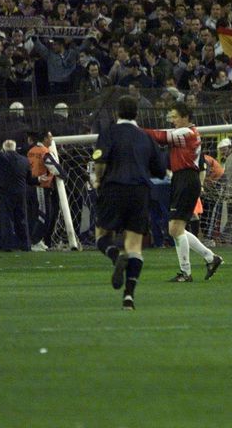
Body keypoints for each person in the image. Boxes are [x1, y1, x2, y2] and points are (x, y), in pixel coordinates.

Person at [93, 95, 167, 310]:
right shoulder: (146, 137)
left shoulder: (108, 133)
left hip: (114, 187)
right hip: (139, 191)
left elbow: (100, 162)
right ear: (137, 114)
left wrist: (98, 180)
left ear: (117, 113)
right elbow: (160, 170)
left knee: (102, 235)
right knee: (134, 245)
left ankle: (115, 255)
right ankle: (129, 297)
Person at [143, 103, 224, 282]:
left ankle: (186, 272)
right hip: (182, 179)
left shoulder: (188, 133)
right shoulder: (186, 133)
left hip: (187, 180)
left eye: (175, 117)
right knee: (176, 229)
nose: (172, 120)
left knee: (175, 229)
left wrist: (134, 131)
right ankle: (211, 258)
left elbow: (160, 136)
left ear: (185, 117)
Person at [27, 131, 67, 251]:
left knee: (41, 214)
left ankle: (38, 240)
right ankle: (35, 241)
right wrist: (64, 175)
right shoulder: (44, 152)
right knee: (44, 215)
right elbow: (53, 166)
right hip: (41, 186)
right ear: (45, 138)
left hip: (33, 185)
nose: (52, 139)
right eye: (50, 137)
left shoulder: (31, 150)